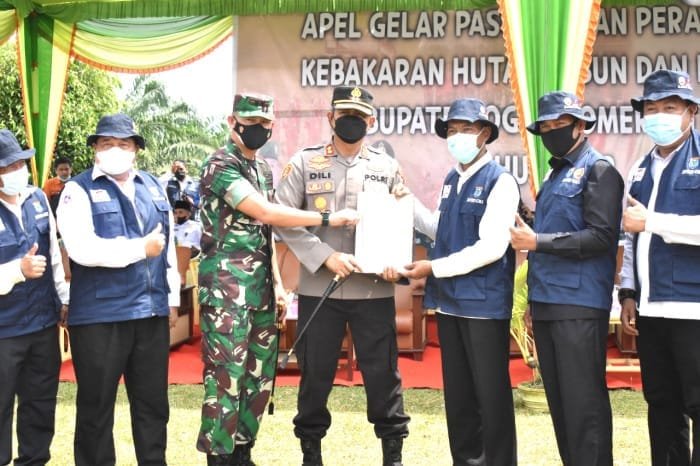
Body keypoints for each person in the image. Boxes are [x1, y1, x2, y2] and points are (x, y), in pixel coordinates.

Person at [196, 92, 359, 466]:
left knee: (258, 377)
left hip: (260, 292)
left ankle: (243, 451)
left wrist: (279, 285)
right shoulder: (220, 164)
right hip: (226, 293)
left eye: (264, 124)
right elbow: (265, 212)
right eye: (250, 123)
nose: (258, 129)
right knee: (225, 378)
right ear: (232, 122)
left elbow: (265, 233)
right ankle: (220, 458)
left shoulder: (261, 169)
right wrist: (327, 219)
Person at [274, 86, 410, 466]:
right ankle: (311, 453)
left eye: (359, 116)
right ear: (330, 117)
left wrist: (394, 262)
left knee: (383, 376)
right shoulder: (304, 163)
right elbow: (283, 219)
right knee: (315, 376)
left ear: (371, 120)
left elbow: (400, 221)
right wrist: (325, 256)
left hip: (373, 292)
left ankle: (393, 454)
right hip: (320, 291)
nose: (352, 121)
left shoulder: (387, 167)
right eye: (345, 114)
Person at [395, 98, 519, 466]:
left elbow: (491, 248)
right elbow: (441, 229)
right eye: (452, 130)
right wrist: (407, 202)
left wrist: (432, 268)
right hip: (450, 304)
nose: (457, 137)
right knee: (460, 399)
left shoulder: (500, 181)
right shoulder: (452, 179)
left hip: (483, 306)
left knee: (491, 398)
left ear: (484, 134)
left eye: (466, 129)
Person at [56, 113, 180, 466]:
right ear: (95, 148)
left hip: (150, 313)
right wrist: (139, 248)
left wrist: (171, 298)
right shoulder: (77, 190)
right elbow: (81, 249)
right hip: (100, 317)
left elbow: (168, 247)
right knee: (96, 408)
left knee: (153, 405)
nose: (114, 150)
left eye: (123, 144)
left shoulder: (153, 186)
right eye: (106, 143)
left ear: (135, 149)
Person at [509, 91, 624, 466]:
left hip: (579, 303)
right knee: (561, 405)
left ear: (580, 126)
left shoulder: (598, 170)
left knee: (583, 405)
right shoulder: (555, 173)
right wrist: (533, 302)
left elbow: (601, 237)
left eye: (561, 124)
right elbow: (551, 230)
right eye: (546, 127)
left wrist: (537, 241)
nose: (553, 132)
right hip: (548, 302)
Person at [619, 69, 700, 465]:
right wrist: (628, 292)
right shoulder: (640, 167)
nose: (659, 116)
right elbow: (632, 236)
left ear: (691, 112)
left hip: (693, 308)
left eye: (670, 107)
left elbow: (645, 224)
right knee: (662, 404)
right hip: (651, 310)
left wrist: (652, 221)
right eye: (651, 109)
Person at [0, 129, 69, 466]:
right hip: (4, 331)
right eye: (7, 167)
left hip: (42, 324)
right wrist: (17, 270)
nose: (16, 171)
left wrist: (63, 298)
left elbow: (53, 255)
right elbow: (25, 266)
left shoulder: (38, 199)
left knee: (40, 403)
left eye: (19, 164)